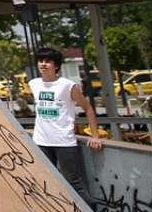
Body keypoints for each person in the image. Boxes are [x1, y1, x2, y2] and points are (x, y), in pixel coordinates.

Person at [29, 47, 102, 209]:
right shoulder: (33, 84)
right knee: (45, 179)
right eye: (41, 61)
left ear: (56, 65)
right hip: (41, 140)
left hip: (63, 141)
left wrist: (95, 135)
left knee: (72, 180)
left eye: (48, 61)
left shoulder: (67, 85)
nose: (43, 64)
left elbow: (88, 109)